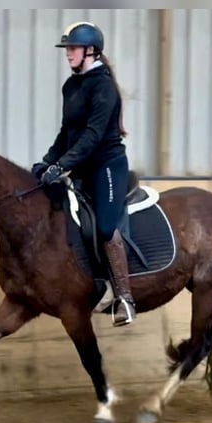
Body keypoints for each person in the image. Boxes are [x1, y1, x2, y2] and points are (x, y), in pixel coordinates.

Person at [31, 21, 136, 327]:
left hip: (106, 165)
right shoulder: (71, 86)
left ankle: (125, 298)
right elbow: (68, 131)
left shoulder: (104, 87)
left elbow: (92, 136)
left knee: (105, 227)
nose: (68, 54)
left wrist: (61, 166)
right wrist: (46, 161)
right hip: (81, 165)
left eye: (73, 49)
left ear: (90, 51)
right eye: (68, 50)